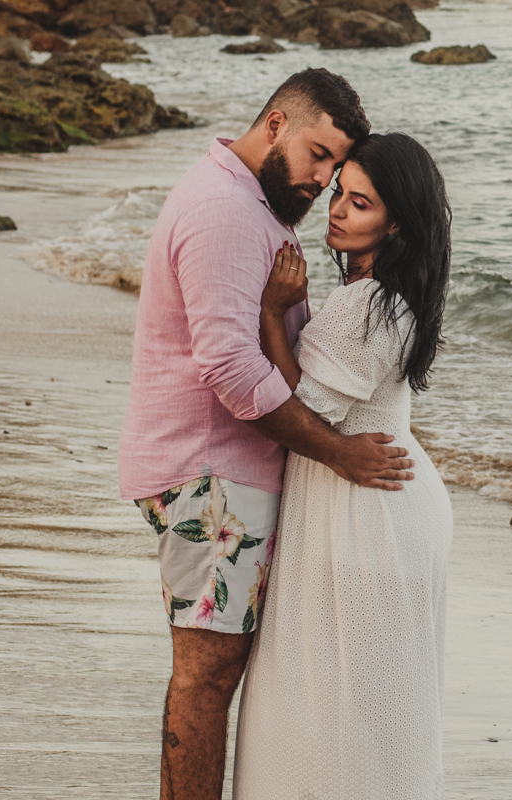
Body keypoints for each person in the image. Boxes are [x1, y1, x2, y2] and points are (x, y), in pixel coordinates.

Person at [117, 70, 415, 800]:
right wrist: (338, 451)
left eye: (336, 169)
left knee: (214, 671)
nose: (322, 181)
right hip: (211, 475)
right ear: (277, 124)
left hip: (227, 474)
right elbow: (229, 369)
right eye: (318, 155)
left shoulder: (259, 205)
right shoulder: (226, 210)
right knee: (207, 674)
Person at [232, 132, 454, 798]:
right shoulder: (388, 296)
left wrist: (273, 315)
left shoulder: (368, 302)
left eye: (360, 203)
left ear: (397, 221)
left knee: (331, 707)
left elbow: (305, 410)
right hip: (383, 505)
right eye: (338, 195)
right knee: (365, 713)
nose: (338, 211)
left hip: (363, 514)